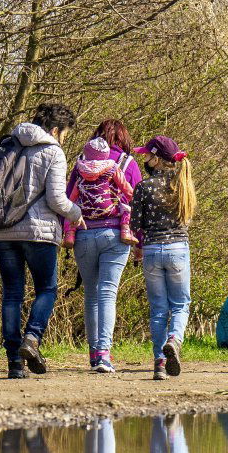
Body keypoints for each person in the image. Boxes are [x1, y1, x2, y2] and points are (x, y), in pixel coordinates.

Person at [0, 103, 82, 379]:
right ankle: (32, 338)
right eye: (63, 133)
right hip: (38, 232)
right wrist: (76, 214)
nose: (63, 138)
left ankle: (14, 363)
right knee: (47, 289)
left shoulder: (7, 143)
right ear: (55, 129)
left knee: (12, 293)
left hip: (3, 231)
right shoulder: (53, 151)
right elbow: (56, 200)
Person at [67, 135, 138, 374]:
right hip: (113, 234)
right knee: (108, 293)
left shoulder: (79, 168)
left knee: (91, 294)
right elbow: (130, 192)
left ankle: (93, 352)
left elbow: (69, 199)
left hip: (84, 234)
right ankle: (104, 354)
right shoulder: (115, 167)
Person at [133, 135, 197, 380]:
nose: (145, 159)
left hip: (151, 250)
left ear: (157, 159)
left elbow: (136, 223)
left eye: (147, 155)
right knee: (180, 304)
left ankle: (160, 363)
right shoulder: (184, 185)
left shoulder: (144, 187)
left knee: (159, 309)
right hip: (178, 249)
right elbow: (187, 220)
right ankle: (174, 339)